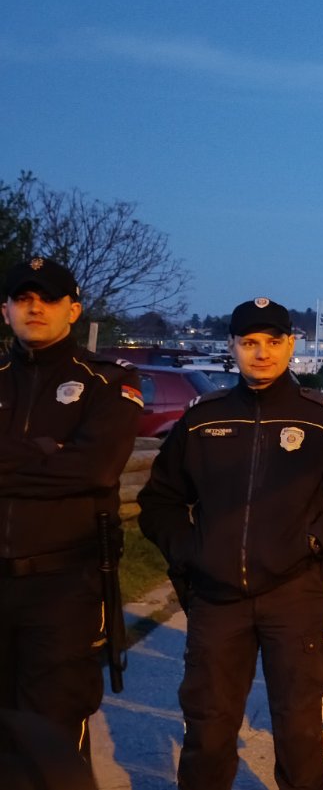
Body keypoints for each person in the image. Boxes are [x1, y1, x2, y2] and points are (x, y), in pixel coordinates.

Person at [138, 297, 323, 790]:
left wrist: (317, 540)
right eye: (250, 343)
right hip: (217, 600)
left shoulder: (322, 417)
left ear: (291, 344)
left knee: (299, 731)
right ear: (233, 347)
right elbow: (159, 501)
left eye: (273, 342)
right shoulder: (204, 417)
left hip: (294, 595)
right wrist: (191, 552)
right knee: (208, 729)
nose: (262, 353)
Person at [0, 257, 142, 762]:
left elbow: (94, 470)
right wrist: (47, 451)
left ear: (73, 310)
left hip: (62, 590)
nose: (33, 307)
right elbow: (68, 467)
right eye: (22, 298)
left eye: (48, 298)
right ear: (5, 311)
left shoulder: (106, 380)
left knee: (51, 739)